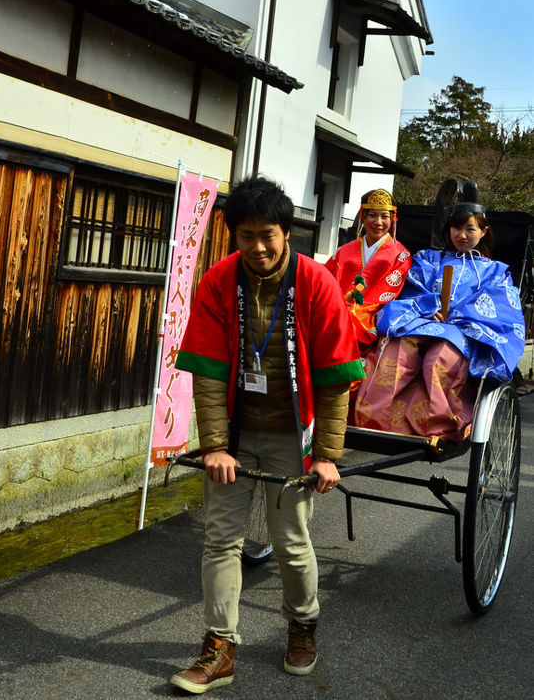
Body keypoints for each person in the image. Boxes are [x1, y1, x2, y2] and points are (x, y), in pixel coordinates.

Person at [170, 175, 365, 694]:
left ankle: (302, 626)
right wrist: (213, 445)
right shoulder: (218, 280)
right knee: (219, 541)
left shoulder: (316, 282)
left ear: (287, 232)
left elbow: (333, 377)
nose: (257, 247)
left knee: (291, 542)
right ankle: (219, 648)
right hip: (235, 429)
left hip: (289, 431)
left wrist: (327, 454)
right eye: (246, 235)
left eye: (269, 235)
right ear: (233, 235)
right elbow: (208, 372)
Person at [354, 200, 526, 441]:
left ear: (484, 231)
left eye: (470, 229)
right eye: (456, 228)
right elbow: (413, 286)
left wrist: (457, 317)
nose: (462, 235)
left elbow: (498, 307)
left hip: (463, 330)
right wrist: (427, 307)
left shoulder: (496, 272)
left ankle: (438, 426)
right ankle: (375, 419)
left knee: (438, 360)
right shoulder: (429, 258)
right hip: (421, 321)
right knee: (398, 352)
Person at [324, 188, 411, 354]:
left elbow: (389, 293)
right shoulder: (344, 250)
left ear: (393, 219)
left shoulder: (401, 255)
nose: (378, 222)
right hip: (337, 309)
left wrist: (351, 309)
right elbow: (325, 280)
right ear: (362, 217)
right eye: (372, 215)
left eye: (384, 216)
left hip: (374, 316)